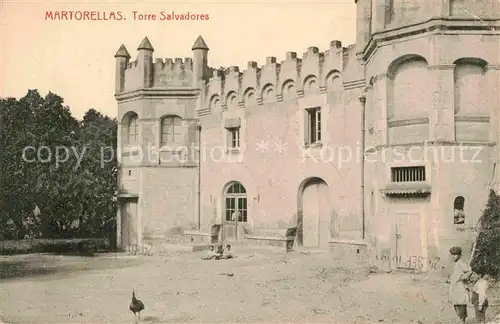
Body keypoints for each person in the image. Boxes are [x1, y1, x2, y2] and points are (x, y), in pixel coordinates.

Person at [447, 246, 472, 324]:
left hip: (460, 287)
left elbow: (469, 271)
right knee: (456, 304)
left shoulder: (461, 263)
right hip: (454, 288)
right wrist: (450, 280)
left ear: (459, 255)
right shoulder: (455, 264)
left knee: (461, 304)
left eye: (456, 254)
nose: (454, 256)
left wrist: (463, 278)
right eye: (452, 255)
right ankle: (461, 320)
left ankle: (462, 321)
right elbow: (455, 275)